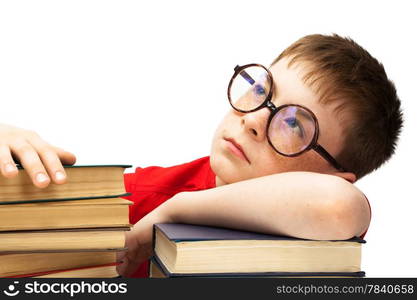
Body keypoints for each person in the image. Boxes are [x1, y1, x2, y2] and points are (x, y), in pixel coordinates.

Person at [0, 34, 403, 277]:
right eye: (262, 91)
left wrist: (179, 211)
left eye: (295, 124)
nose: (253, 121)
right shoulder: (139, 194)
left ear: (333, 173)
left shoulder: (322, 217)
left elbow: (337, 206)